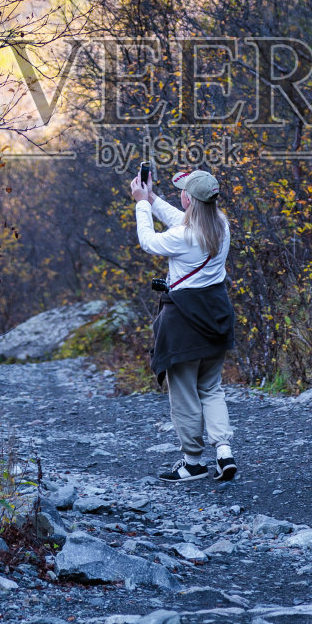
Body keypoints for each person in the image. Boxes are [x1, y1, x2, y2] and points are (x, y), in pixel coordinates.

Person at [129, 167, 237, 483]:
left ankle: (192, 462)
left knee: (185, 393)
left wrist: (141, 204)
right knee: (211, 388)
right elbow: (182, 219)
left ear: (188, 198)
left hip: (184, 323)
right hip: (216, 317)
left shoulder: (184, 237)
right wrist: (152, 198)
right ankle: (223, 451)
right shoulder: (222, 225)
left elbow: (148, 241)